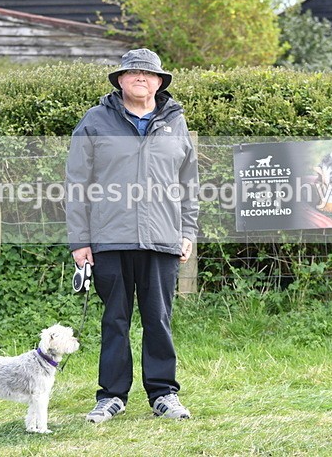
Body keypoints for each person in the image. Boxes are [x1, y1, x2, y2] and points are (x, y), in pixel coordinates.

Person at [65, 48, 199, 423]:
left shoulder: (176, 121)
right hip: (109, 238)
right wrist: (80, 240)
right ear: (120, 80)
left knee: (158, 319)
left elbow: (189, 183)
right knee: (115, 320)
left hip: (162, 238)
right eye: (133, 72)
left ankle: (163, 395)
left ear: (159, 82)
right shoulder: (95, 120)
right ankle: (111, 396)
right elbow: (76, 184)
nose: (141, 77)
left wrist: (187, 230)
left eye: (148, 73)